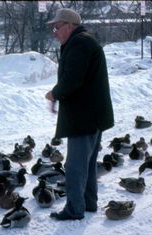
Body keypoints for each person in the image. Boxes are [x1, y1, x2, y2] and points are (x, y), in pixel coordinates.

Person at [45, 8, 114, 220]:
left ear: (70, 25)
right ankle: (89, 203)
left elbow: (73, 79)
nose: (54, 32)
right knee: (88, 162)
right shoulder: (84, 41)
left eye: (57, 27)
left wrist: (54, 93)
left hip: (84, 116)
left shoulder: (79, 43)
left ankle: (75, 209)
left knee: (75, 165)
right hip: (92, 114)